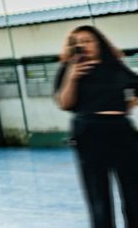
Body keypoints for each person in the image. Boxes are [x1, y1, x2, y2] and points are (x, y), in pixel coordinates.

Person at [54, 25, 138, 228]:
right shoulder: (69, 69)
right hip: (90, 131)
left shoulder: (115, 66)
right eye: (76, 42)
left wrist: (126, 106)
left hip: (121, 131)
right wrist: (72, 76)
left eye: (87, 40)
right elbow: (65, 103)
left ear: (99, 42)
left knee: (134, 191)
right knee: (98, 195)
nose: (81, 45)